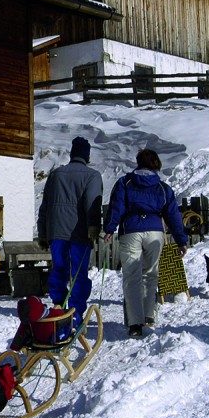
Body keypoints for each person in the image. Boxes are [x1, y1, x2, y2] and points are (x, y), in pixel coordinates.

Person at [103, 148, 189, 337]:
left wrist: (109, 228)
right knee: (151, 274)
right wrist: (181, 240)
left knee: (132, 276)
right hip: (155, 232)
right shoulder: (162, 187)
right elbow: (173, 215)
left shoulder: (125, 182)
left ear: (138, 162)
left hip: (131, 230)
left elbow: (116, 206)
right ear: (156, 164)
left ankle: (135, 324)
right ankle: (149, 315)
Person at [37, 136, 103, 329]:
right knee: (79, 273)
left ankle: (58, 307)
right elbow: (93, 203)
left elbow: (45, 207)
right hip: (80, 234)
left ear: (72, 154)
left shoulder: (56, 175)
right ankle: (75, 313)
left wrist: (42, 232)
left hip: (56, 232)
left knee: (59, 268)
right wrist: (93, 227)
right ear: (87, 156)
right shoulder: (92, 176)